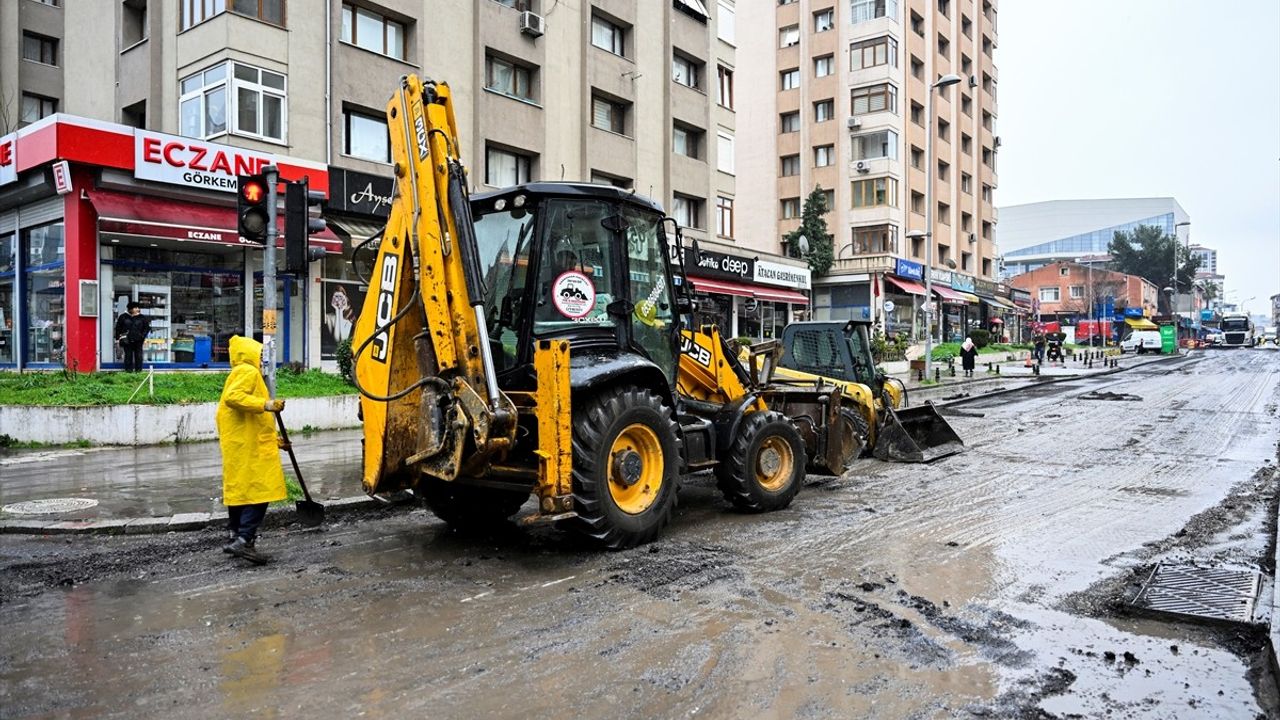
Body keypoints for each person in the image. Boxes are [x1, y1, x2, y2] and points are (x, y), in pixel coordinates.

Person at [217, 335, 287, 565]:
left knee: (242, 492)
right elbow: (234, 398)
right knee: (260, 491)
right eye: (259, 355)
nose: (261, 360)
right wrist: (265, 404)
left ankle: (236, 535)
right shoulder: (247, 371)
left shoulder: (238, 372)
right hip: (249, 448)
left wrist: (274, 441)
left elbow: (247, 421)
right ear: (250, 355)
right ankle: (244, 540)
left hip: (244, 445)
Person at [114, 301, 151, 373]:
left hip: (138, 340)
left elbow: (147, 328)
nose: (137, 309)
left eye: (138, 308)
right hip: (127, 340)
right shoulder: (123, 317)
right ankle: (128, 371)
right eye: (135, 308)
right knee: (128, 355)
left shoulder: (142, 317)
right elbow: (118, 328)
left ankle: (138, 371)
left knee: (139, 356)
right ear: (130, 309)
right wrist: (118, 338)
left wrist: (142, 336)